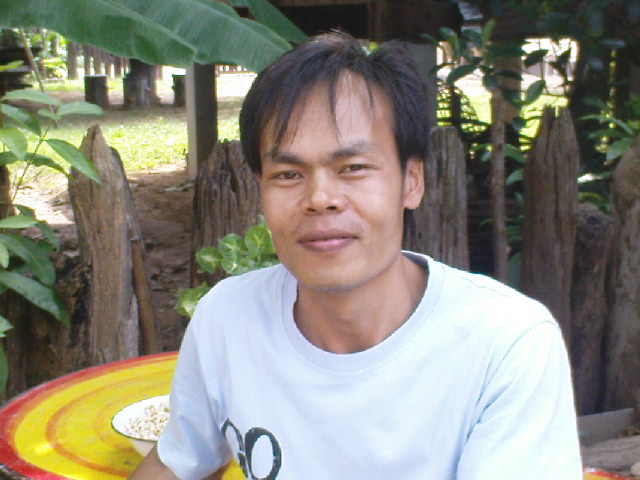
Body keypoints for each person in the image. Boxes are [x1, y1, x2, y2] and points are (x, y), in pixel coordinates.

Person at [129, 31, 582, 480]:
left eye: (353, 168)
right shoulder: (227, 318)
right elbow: (178, 462)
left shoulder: (505, 344)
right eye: (288, 174)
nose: (320, 198)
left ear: (411, 181)